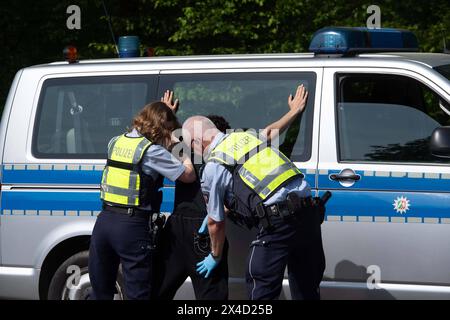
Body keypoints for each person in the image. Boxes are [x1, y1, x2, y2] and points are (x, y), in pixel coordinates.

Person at [183, 85, 326, 300]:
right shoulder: (246, 137)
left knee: (260, 285)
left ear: (196, 142)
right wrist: (295, 111)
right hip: (309, 214)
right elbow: (270, 133)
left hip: (279, 222)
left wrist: (215, 255)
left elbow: (215, 223)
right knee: (306, 290)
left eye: (189, 147)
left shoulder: (212, 166)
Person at [88, 98, 196, 300]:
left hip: (103, 222)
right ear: (162, 127)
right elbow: (188, 175)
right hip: (131, 227)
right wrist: (179, 145)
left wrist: (167, 115)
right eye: (168, 129)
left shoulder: (116, 141)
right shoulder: (151, 151)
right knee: (138, 293)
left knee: (100, 291)